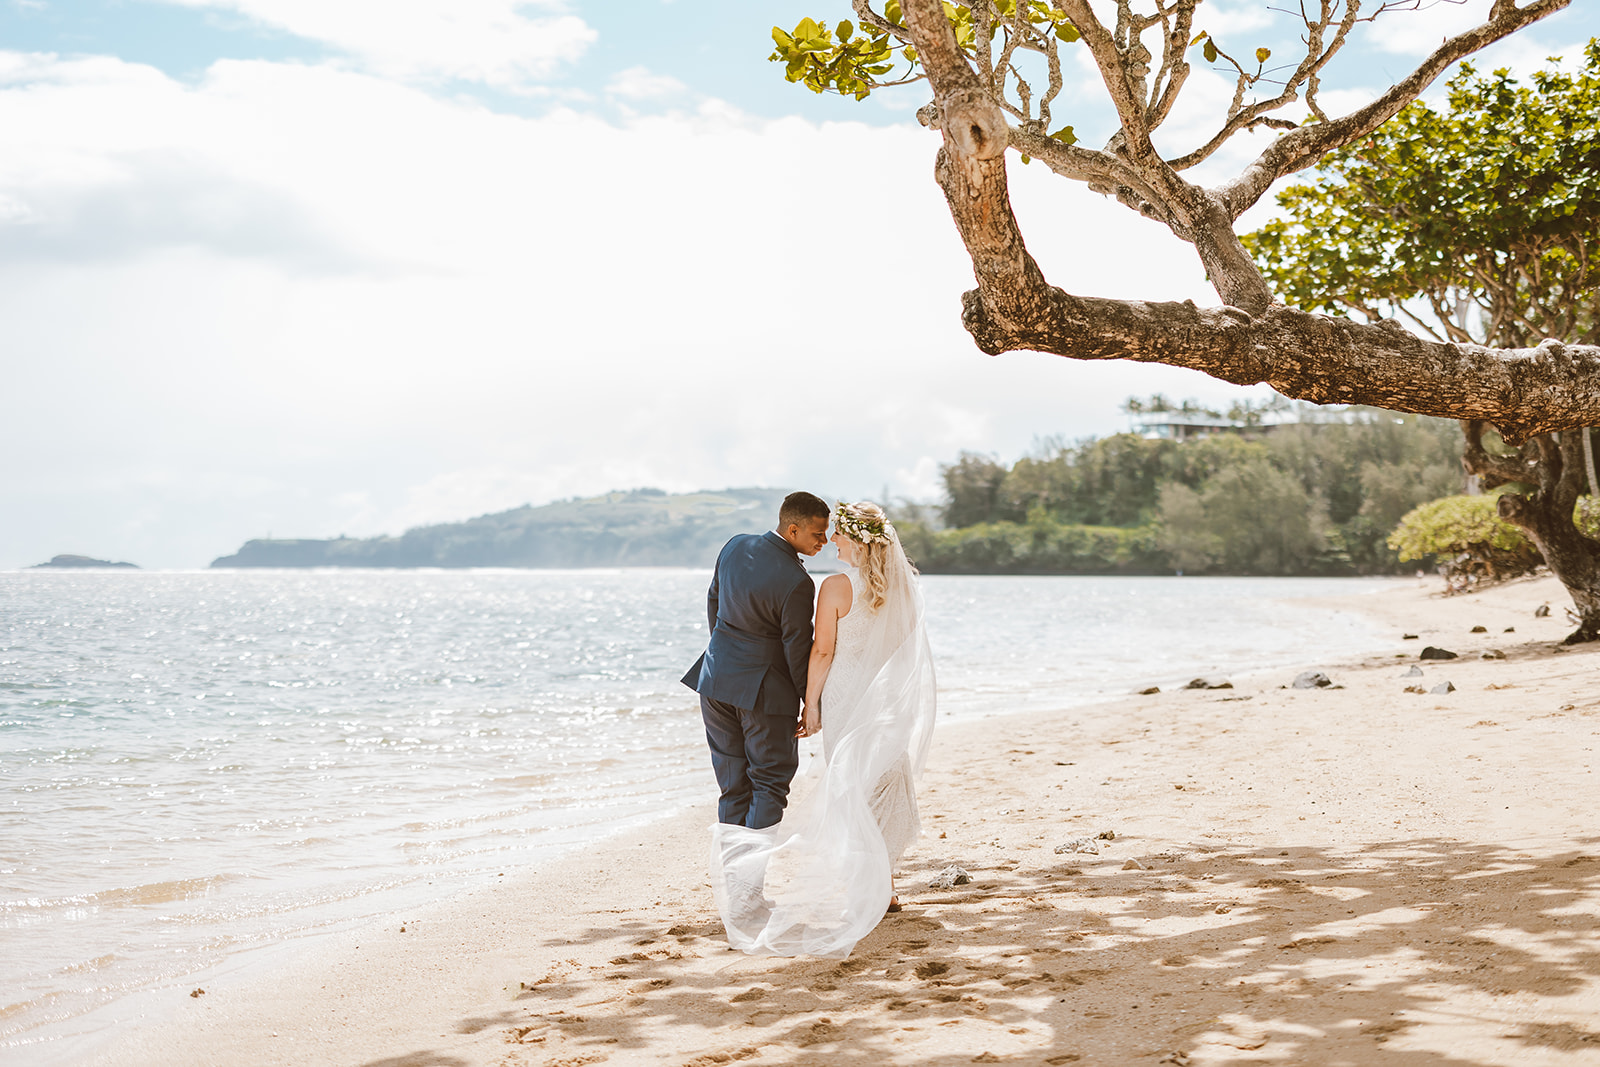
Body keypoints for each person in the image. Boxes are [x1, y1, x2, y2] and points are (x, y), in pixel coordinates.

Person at [710, 500, 937, 958]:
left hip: (822, 692)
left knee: (847, 788)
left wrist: (810, 705)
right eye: (822, 533)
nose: (829, 540)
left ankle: (759, 888)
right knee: (883, 785)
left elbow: (820, 652)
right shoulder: (906, 586)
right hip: (886, 697)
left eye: (837, 534)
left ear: (855, 539)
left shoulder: (826, 584)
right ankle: (884, 888)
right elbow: (901, 648)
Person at [682, 491, 830, 834]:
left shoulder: (734, 545)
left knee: (733, 786)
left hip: (714, 680)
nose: (824, 541)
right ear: (793, 530)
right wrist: (810, 701)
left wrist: (724, 653)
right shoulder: (798, 582)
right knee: (769, 785)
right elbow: (796, 649)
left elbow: (714, 601)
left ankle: (734, 884)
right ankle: (747, 886)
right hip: (764, 694)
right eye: (817, 534)